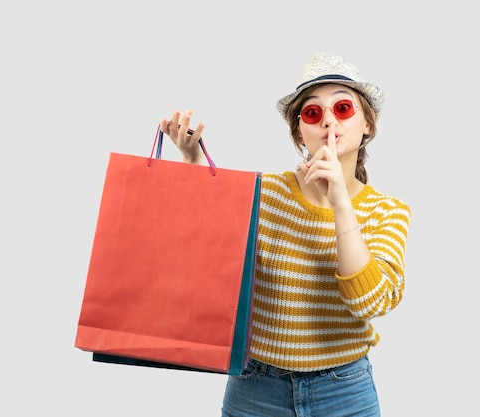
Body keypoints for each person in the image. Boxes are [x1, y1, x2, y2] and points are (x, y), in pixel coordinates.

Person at [159, 52, 411, 417]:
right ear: (298, 131)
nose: (328, 120)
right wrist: (194, 164)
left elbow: (369, 303)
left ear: (367, 125)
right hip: (254, 389)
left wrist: (341, 202)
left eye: (342, 108)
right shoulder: (265, 193)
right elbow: (207, 250)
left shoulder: (389, 210)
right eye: (312, 113)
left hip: (345, 392)